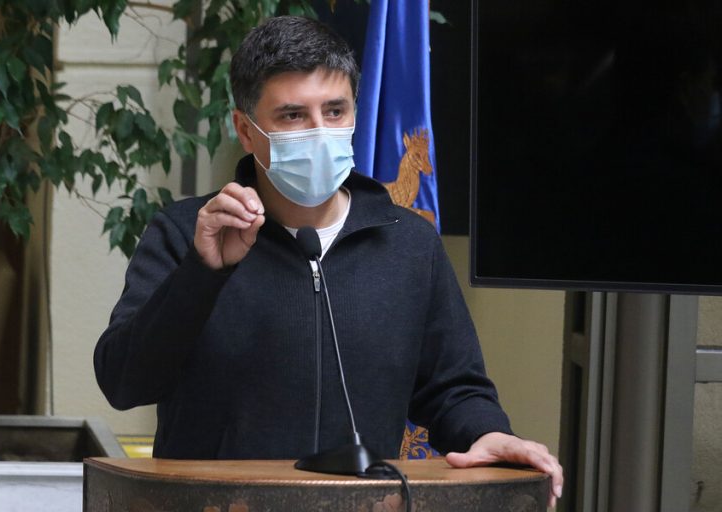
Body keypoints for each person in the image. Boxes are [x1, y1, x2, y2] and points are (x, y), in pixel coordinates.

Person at [94, 15, 563, 507]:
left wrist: (488, 432)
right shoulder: (185, 233)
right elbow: (124, 382)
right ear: (246, 131)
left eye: (335, 111)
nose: (320, 132)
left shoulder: (409, 244)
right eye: (293, 115)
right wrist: (202, 272)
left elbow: (453, 389)